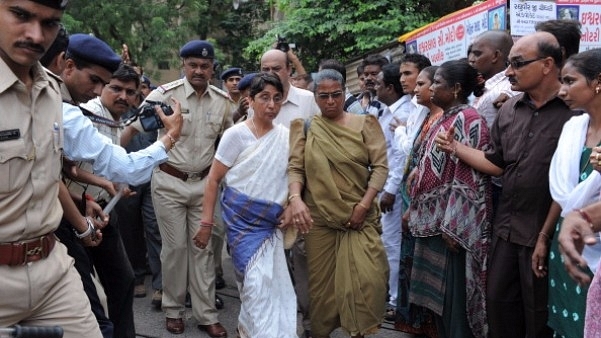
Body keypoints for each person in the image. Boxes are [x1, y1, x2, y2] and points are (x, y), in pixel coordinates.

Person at [0, 1, 182, 337]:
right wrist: (169, 139)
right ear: (67, 65)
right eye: (21, 15)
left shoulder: (53, 97)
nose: (36, 34)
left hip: (50, 264)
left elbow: (47, 176)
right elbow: (122, 166)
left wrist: (83, 200)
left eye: (51, 23)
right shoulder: (68, 108)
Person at [435, 32, 572, 338]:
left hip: (546, 234)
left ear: (548, 64)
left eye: (518, 64)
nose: (508, 72)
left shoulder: (574, 113)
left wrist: (546, 234)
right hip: (507, 229)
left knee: (540, 315)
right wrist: (456, 148)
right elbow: (496, 162)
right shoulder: (509, 110)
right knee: (498, 304)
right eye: (509, 64)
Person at [121, 40, 233, 337]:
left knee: (203, 250)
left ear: (212, 69)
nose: (199, 70)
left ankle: (206, 314)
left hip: (204, 186)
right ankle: (173, 309)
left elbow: (229, 143)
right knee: (175, 250)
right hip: (169, 183)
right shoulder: (163, 96)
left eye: (205, 66)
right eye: (193, 65)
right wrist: (118, 170)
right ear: (183, 65)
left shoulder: (223, 102)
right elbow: (132, 128)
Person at [288, 69, 389, 338]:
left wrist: (364, 205)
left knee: (367, 280)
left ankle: (359, 331)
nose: (330, 101)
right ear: (316, 97)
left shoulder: (366, 124)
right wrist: (295, 199)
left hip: (360, 216)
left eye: (336, 95)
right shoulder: (305, 127)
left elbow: (380, 168)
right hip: (319, 219)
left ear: (344, 94)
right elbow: (296, 168)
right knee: (322, 290)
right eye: (324, 96)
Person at [197, 73, 297, 338]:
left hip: (272, 226)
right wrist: (206, 223)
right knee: (254, 285)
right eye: (264, 98)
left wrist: (290, 206)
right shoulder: (235, 136)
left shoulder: (286, 137)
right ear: (249, 100)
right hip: (242, 225)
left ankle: (251, 331)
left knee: (271, 289)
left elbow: (294, 177)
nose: (271, 105)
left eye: (277, 98)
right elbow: (213, 180)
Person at [408, 59, 491, 338]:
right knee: (439, 305)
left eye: (438, 82)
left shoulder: (469, 119)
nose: (431, 88)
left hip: (451, 228)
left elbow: (469, 178)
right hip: (433, 224)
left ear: (456, 88)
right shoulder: (442, 118)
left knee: (455, 304)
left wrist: (454, 224)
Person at [260, 48, 319, 338]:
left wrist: (298, 198)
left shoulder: (309, 101)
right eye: (265, 69)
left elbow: (321, 149)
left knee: (305, 267)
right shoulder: (256, 103)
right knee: (271, 270)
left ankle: (310, 326)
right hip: (267, 201)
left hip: (303, 200)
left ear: (288, 70)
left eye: (277, 69)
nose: (271, 74)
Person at [544, 48, 601, 338]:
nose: (562, 91)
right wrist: (545, 236)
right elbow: (563, 197)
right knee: (568, 320)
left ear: (598, 82)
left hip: (595, 248)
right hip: (565, 239)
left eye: (570, 81)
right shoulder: (573, 128)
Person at [394, 65, 441, 337]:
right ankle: (414, 323)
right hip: (412, 202)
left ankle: (428, 326)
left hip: (426, 209)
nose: (417, 88)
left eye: (423, 83)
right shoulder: (423, 116)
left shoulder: (441, 119)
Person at [373, 62, 406, 319]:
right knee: (386, 243)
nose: (374, 87)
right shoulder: (386, 110)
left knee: (392, 244)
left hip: (391, 190)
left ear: (390, 88)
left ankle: (395, 301)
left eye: (379, 84)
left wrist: (391, 190)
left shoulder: (399, 114)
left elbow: (398, 157)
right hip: (382, 186)